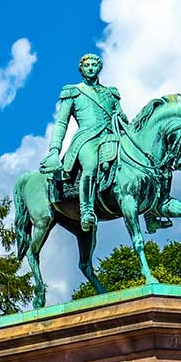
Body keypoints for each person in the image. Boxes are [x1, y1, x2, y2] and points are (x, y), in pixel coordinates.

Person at [40, 52, 129, 232]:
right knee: (90, 166)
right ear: (81, 69)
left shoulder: (110, 93)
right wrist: (54, 149)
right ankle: (87, 210)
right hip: (87, 139)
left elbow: (123, 119)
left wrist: (121, 116)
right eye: (87, 65)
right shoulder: (73, 91)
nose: (90, 68)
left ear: (99, 68)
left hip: (111, 137)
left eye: (94, 65)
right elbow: (61, 122)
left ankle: (150, 210)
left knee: (137, 163)